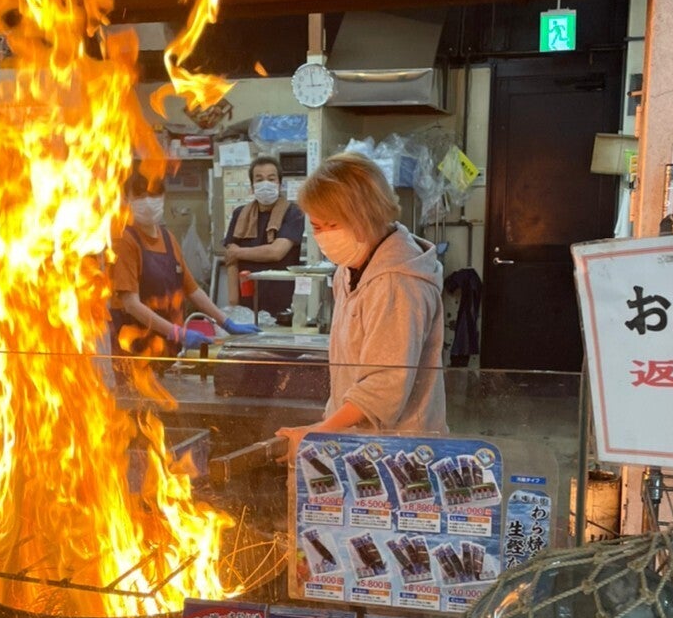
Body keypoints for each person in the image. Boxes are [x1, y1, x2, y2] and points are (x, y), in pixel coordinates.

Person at [277, 152, 446, 457]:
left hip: (400, 451)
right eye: (316, 227)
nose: (324, 237)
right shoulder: (351, 266)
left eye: (332, 224)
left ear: (367, 215)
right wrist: (328, 427)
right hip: (358, 441)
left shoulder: (396, 281)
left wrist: (317, 433)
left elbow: (384, 385)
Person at [110, 172, 257, 359]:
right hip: (135, 350)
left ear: (163, 197)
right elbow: (131, 304)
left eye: (153, 194)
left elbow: (193, 290)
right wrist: (177, 333)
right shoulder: (125, 241)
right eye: (140, 196)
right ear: (126, 200)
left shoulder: (168, 238)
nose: (148, 202)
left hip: (169, 348)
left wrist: (226, 323)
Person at [222, 154, 305, 316]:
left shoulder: (293, 213)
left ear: (279, 184)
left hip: (282, 301)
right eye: (259, 179)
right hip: (247, 301)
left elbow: (276, 252)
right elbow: (231, 261)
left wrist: (239, 252)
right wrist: (233, 305)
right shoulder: (240, 214)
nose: (265, 184)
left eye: (271, 179)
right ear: (252, 186)